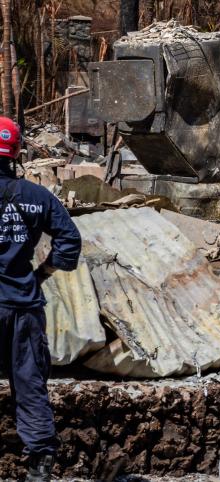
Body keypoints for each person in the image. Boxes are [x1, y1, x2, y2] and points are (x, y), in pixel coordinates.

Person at [0, 117, 81, 481]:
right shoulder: (36, 197)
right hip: (25, 306)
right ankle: (40, 464)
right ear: (16, 152)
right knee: (30, 383)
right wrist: (41, 274)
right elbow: (70, 241)